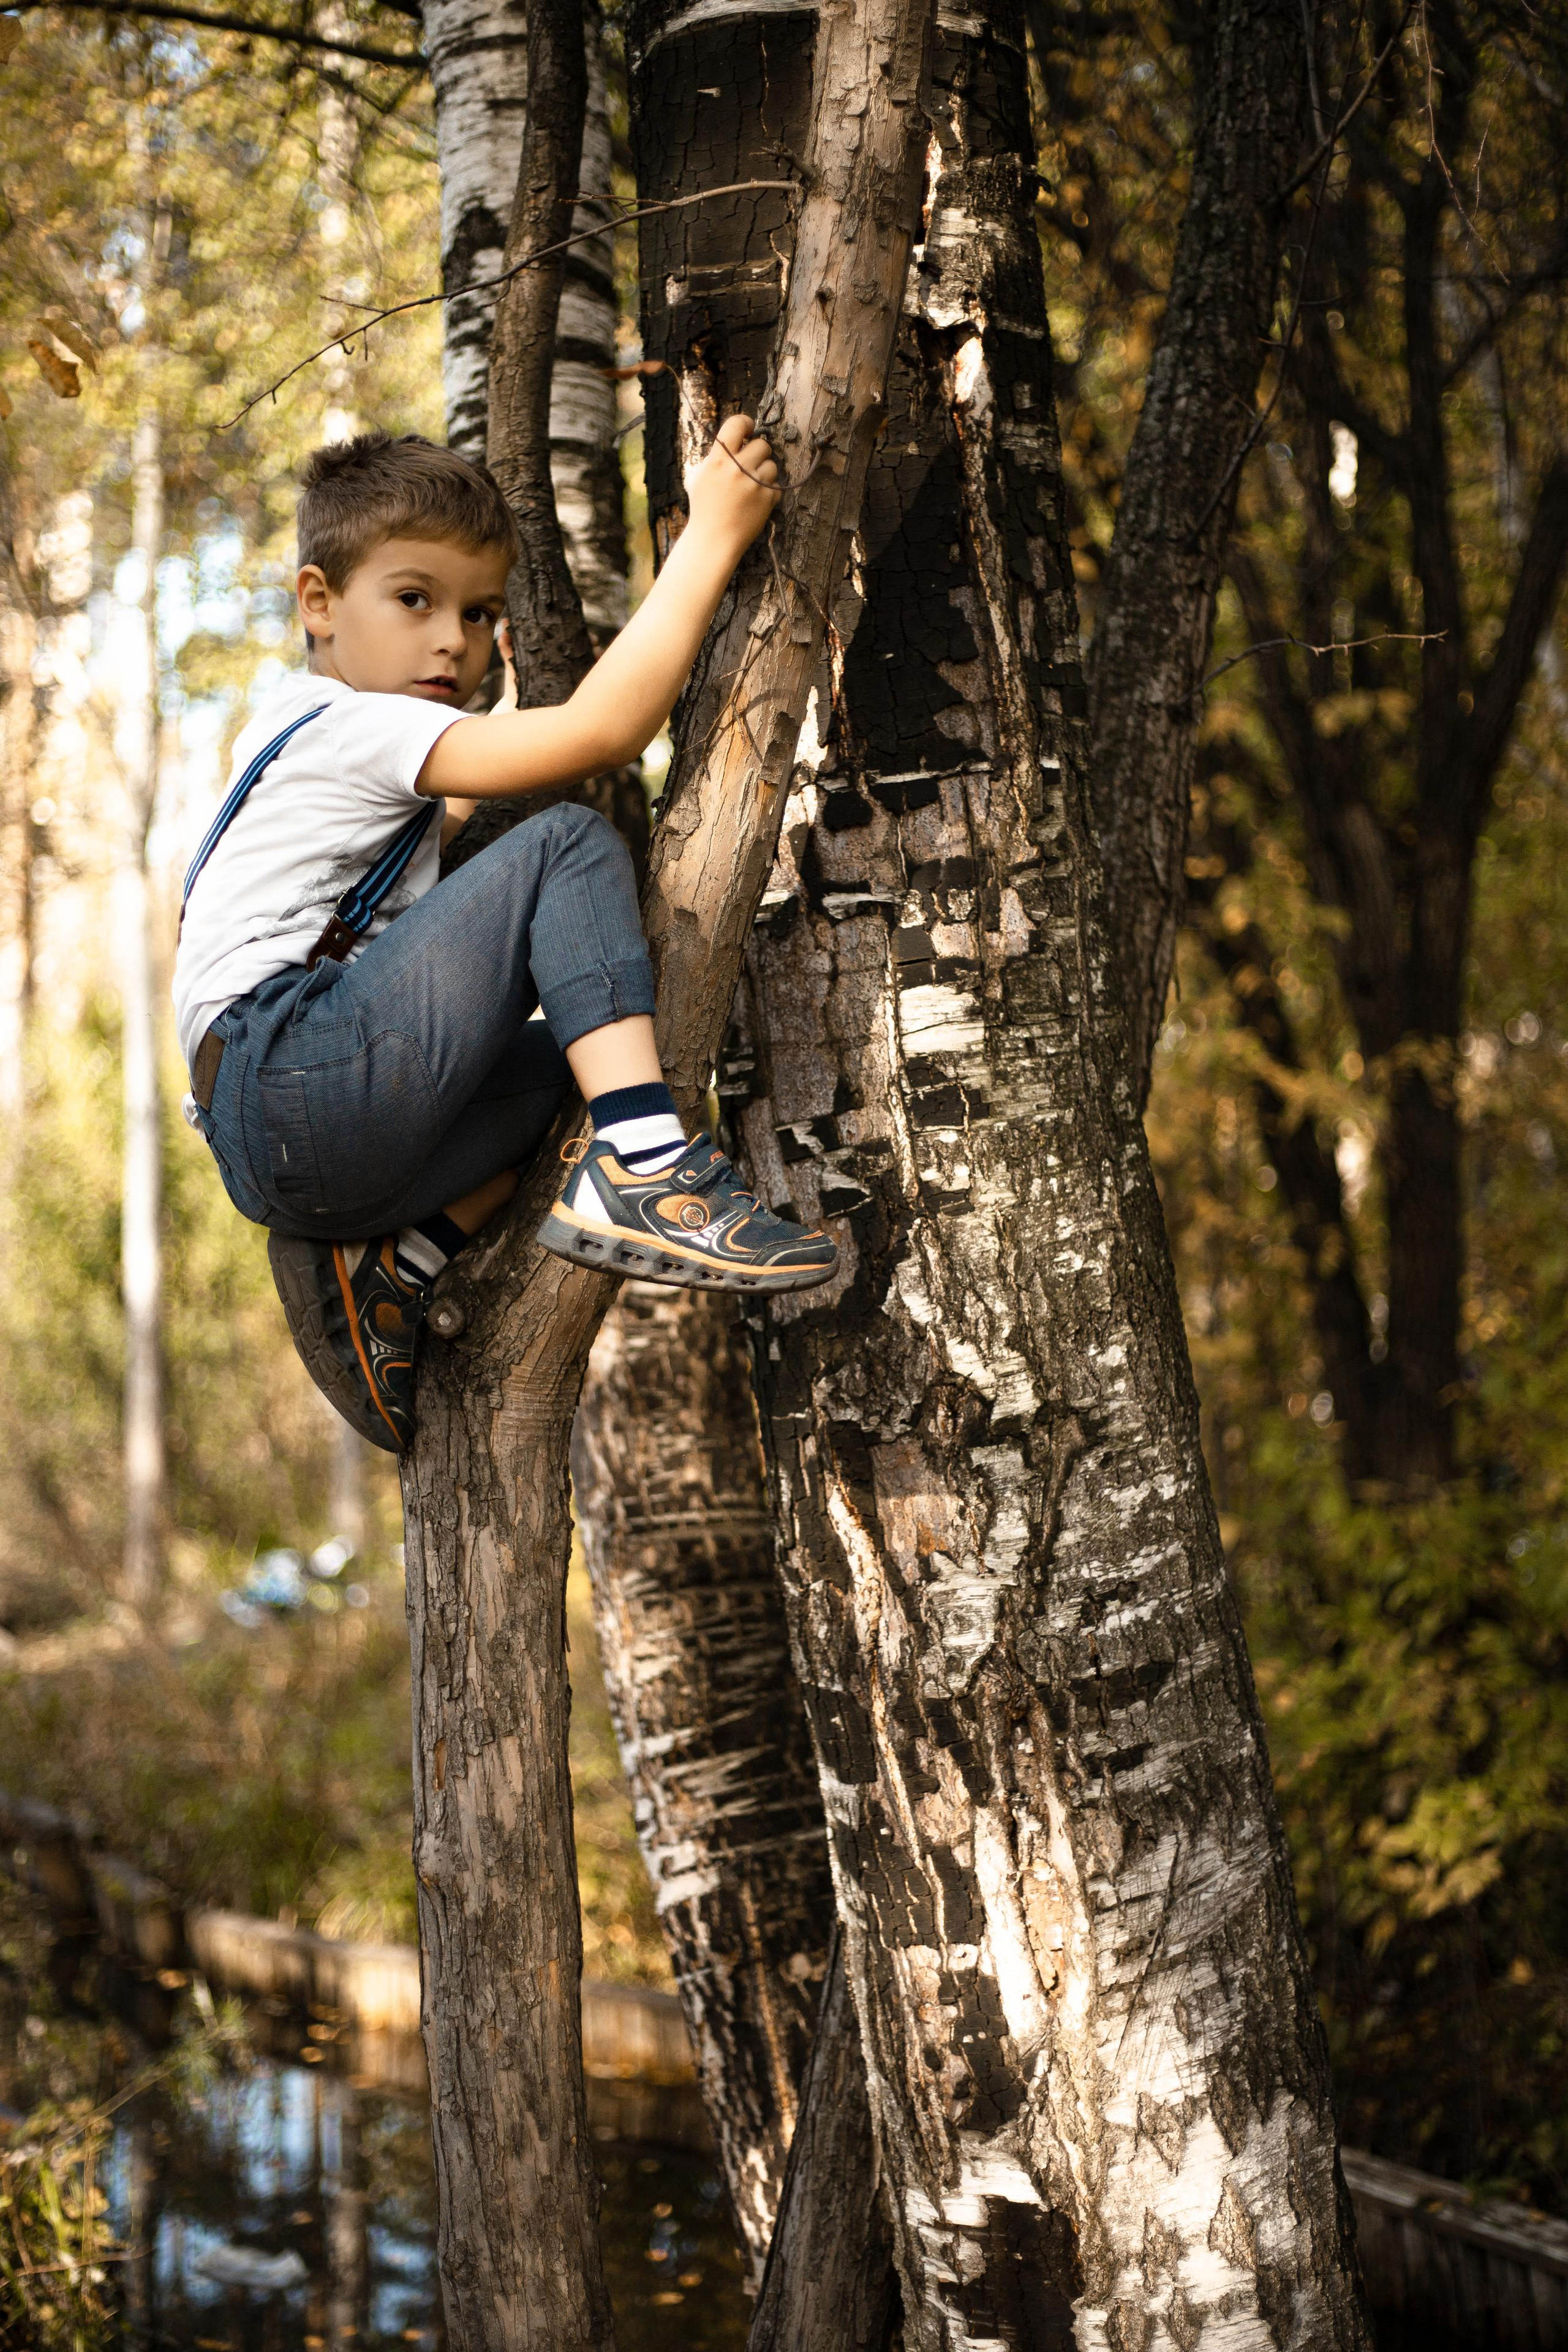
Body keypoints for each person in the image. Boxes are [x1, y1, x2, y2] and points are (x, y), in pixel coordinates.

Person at [174, 422, 835, 1455]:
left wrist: (521, 710)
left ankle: (392, 1263)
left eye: (479, 613)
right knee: (568, 846)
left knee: (603, 1050)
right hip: (294, 1069)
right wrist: (711, 537)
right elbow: (606, 736)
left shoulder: (309, 747)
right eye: (415, 600)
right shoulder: (349, 723)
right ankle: (650, 1173)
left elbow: (432, 867)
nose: (454, 640)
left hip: (276, 1135)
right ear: (318, 603)